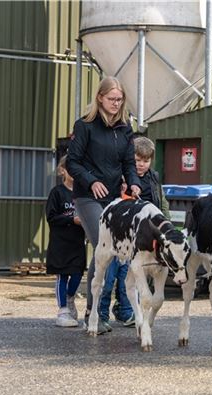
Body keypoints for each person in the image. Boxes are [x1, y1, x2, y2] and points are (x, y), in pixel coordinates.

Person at [66, 76, 141, 333]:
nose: (116, 104)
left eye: (119, 100)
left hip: (113, 198)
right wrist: (91, 181)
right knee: (104, 246)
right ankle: (93, 314)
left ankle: (96, 312)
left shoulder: (124, 128)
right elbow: (72, 162)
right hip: (88, 196)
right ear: (100, 97)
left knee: (106, 254)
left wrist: (134, 183)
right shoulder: (85, 126)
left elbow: (129, 163)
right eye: (111, 99)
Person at [98, 136, 170, 329]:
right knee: (109, 274)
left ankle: (125, 311)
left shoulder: (153, 177)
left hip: (145, 237)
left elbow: (161, 201)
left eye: (146, 161)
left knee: (130, 275)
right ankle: (101, 314)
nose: (141, 164)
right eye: (137, 160)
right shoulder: (123, 176)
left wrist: (166, 221)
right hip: (121, 234)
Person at [45, 155, 86, 327]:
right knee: (62, 275)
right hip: (60, 243)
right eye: (71, 169)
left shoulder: (83, 194)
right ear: (63, 170)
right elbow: (51, 217)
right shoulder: (57, 192)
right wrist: (71, 220)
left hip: (77, 242)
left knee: (77, 274)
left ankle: (70, 298)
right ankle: (62, 310)